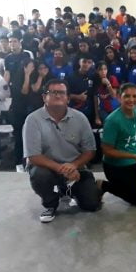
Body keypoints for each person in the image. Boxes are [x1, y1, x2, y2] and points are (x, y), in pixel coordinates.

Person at [24, 79, 101, 223]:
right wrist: (62, 169)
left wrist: (74, 166)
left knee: (91, 204)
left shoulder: (80, 118)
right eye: (52, 92)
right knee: (39, 175)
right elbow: (34, 156)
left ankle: (66, 190)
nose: (57, 95)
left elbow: (90, 150)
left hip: (76, 167)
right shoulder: (33, 120)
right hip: (47, 168)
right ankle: (50, 203)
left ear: (68, 98)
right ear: (44, 97)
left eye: (61, 93)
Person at [99, 83, 136, 206]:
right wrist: (132, 156)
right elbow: (107, 150)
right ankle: (102, 185)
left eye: (134, 96)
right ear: (119, 97)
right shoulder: (113, 120)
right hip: (117, 167)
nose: (131, 100)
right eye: (127, 96)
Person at [94, 61, 120, 126]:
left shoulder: (112, 78)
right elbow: (95, 99)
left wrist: (108, 83)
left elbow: (114, 95)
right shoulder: (96, 81)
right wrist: (97, 117)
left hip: (115, 107)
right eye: (100, 69)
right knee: (108, 125)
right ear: (97, 71)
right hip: (103, 109)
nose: (103, 71)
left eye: (105, 69)